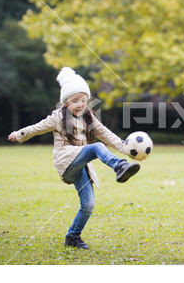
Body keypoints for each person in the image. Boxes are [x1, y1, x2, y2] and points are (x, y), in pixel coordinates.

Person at [8, 67, 140, 250]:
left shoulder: (89, 118)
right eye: (75, 101)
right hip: (66, 162)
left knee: (88, 204)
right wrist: (19, 134)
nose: (80, 104)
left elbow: (107, 134)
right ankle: (119, 167)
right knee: (96, 147)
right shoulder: (57, 117)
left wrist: (128, 150)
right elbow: (37, 128)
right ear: (65, 103)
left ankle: (72, 236)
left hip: (81, 166)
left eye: (84, 100)